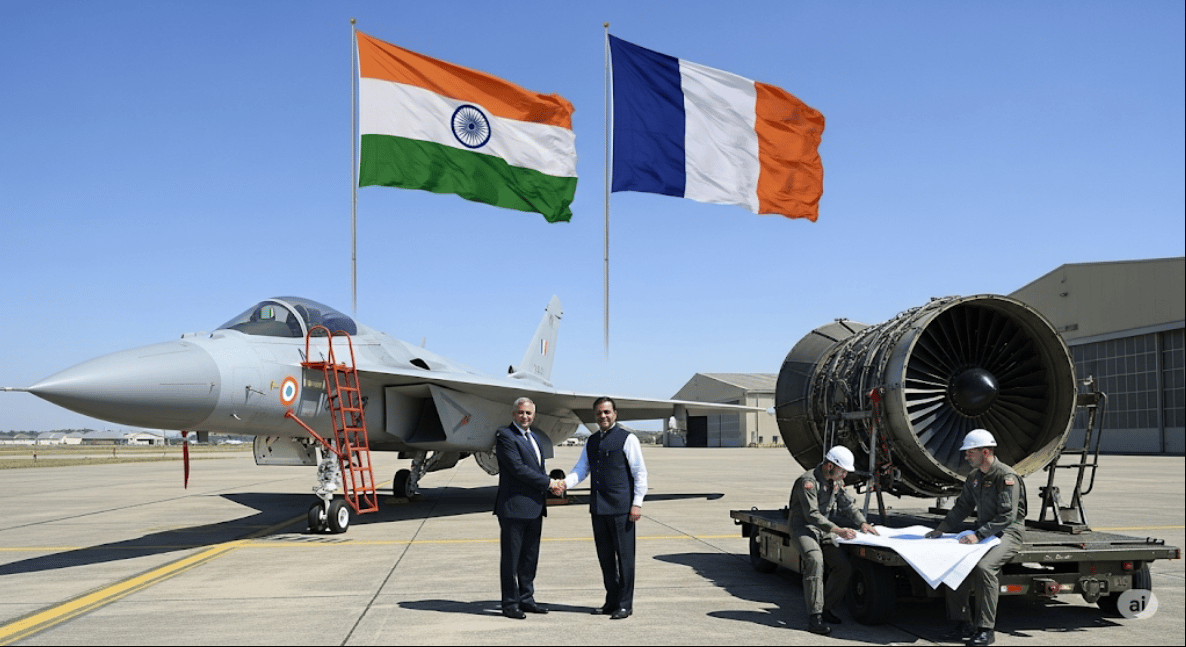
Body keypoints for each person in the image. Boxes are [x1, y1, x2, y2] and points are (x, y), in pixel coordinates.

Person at [925, 429, 1025, 647]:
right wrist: (940, 529)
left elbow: (1007, 517)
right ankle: (962, 623)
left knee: (985, 568)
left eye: (970, 452)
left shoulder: (1006, 477)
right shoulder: (974, 477)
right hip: (985, 531)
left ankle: (986, 629)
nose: (966, 457)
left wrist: (978, 535)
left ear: (985, 452)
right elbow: (962, 507)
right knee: (954, 563)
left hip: (1008, 531)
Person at [556, 396, 648, 619]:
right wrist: (564, 484)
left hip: (621, 509)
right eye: (599, 413)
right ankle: (611, 601)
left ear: (615, 414)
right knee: (605, 559)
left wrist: (637, 503)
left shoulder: (628, 439)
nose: (603, 416)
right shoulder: (592, 441)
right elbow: (581, 469)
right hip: (599, 509)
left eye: (607, 412)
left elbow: (640, 473)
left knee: (625, 559)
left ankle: (625, 604)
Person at [788, 445, 879, 636]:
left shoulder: (836, 482)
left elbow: (847, 505)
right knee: (815, 560)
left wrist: (862, 523)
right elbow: (812, 515)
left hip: (824, 529)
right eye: (842, 471)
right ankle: (815, 618)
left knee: (843, 567)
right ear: (830, 466)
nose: (845, 475)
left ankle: (826, 607)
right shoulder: (808, 482)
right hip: (804, 527)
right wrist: (838, 530)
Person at [494, 397, 560, 619]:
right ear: (514, 414)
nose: (525, 416)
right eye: (521, 412)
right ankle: (510, 603)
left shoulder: (534, 438)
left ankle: (526, 599)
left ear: (534, 415)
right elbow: (518, 469)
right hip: (514, 508)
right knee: (511, 559)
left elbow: (538, 469)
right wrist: (549, 483)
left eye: (529, 413)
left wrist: (549, 486)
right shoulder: (506, 436)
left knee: (530, 558)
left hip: (534, 508)